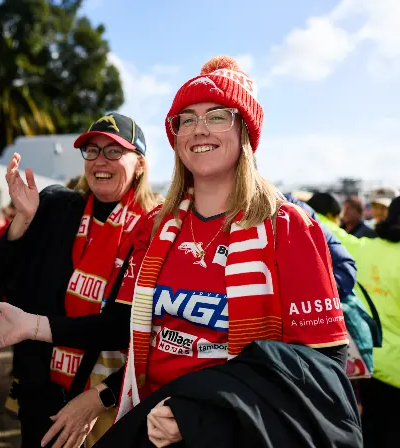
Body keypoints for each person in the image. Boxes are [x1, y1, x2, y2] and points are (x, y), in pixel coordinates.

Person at [90, 56, 357, 447]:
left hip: (234, 431)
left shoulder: (289, 227)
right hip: (150, 421)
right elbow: (122, 326)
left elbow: (325, 370)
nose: (199, 129)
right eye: (187, 118)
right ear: (176, 136)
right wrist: (35, 326)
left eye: (217, 116)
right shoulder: (154, 228)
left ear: (245, 131)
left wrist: (206, 418)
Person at [0, 112, 160, 447]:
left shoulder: (155, 228)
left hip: (114, 403)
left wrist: (99, 397)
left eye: (113, 151)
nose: (99, 161)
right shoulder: (58, 207)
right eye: (92, 150)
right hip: (44, 394)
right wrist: (23, 218)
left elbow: (123, 327)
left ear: (139, 164)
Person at [326, 196, 400, 447]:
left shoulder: (364, 247)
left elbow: (331, 229)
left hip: (368, 363)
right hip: (396, 373)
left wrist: (294, 202)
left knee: (370, 433)